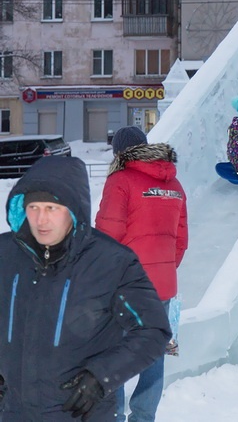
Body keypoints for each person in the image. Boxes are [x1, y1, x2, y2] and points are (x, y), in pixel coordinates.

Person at [0, 156, 170, 420]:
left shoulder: (112, 262)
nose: (41, 219)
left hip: (79, 413)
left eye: (52, 208)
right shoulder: (5, 254)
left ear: (73, 209)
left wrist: (102, 377)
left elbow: (153, 330)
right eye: (34, 207)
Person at [96, 126, 188, 422]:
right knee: (153, 353)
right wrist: (163, 269)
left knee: (114, 352)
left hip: (125, 284)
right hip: (160, 286)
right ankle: (144, 417)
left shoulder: (120, 181)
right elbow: (181, 239)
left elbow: (107, 236)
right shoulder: (174, 185)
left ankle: (113, 416)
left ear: (119, 153)